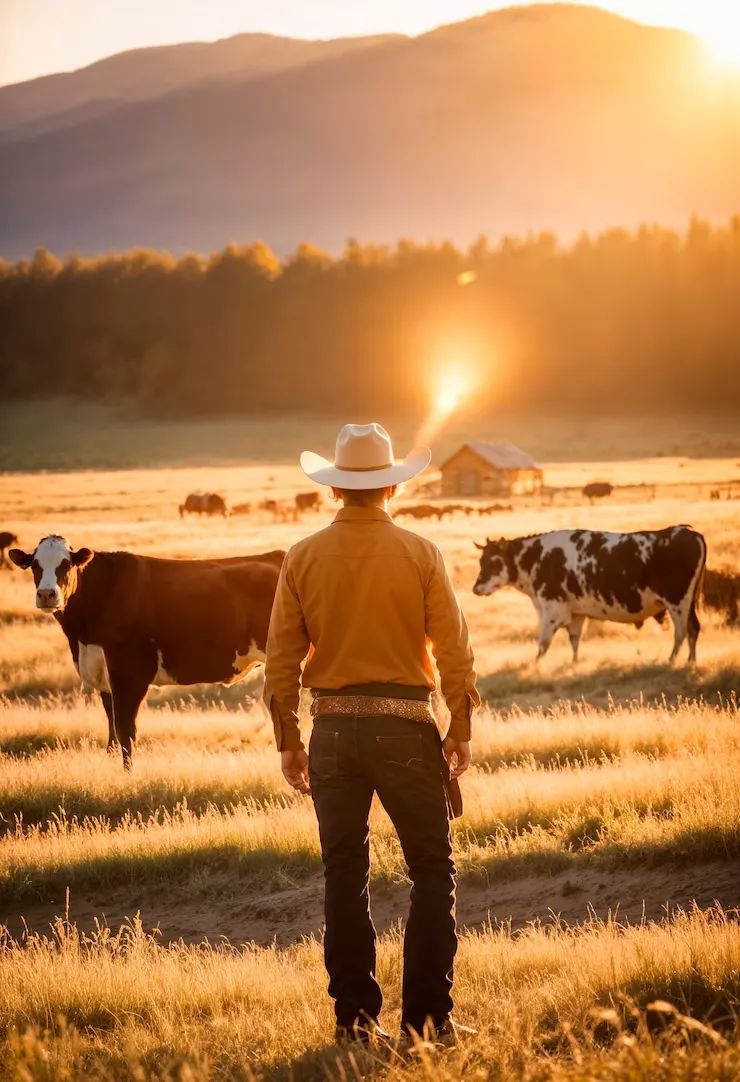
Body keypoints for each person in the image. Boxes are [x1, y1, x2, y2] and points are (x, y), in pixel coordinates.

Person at [263, 422, 479, 1044]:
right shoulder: (420, 552)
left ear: (335, 490)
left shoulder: (301, 557)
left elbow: (281, 660)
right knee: (432, 873)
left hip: (330, 734)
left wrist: (288, 739)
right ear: (391, 488)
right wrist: (458, 725)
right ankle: (428, 1022)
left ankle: (355, 1024)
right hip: (407, 730)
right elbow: (454, 650)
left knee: (344, 874)